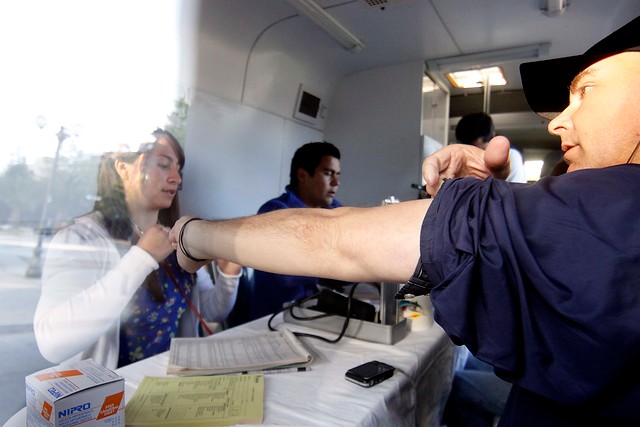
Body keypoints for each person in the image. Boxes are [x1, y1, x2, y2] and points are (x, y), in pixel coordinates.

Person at [170, 16, 640, 426]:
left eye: (586, 91)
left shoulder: (612, 202)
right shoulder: (605, 214)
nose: (558, 121)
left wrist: (196, 234)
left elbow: (335, 242)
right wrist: (493, 208)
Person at [34, 129, 242, 370]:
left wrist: (229, 273)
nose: (176, 178)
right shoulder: (81, 239)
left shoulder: (176, 240)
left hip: (170, 389)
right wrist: (142, 258)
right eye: (164, 165)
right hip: (109, 401)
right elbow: (52, 343)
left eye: (178, 169)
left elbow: (211, 311)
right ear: (123, 168)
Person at [248, 141, 343, 321]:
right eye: (328, 173)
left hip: (315, 313)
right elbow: (286, 275)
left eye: (338, 175)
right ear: (302, 175)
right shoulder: (274, 212)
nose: (336, 182)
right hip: (274, 320)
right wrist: (341, 266)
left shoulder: (334, 210)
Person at [455, 112, 527, 183]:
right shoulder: (458, 158)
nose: (473, 156)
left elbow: (517, 189)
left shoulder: (511, 156)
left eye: (479, 150)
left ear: (492, 138)